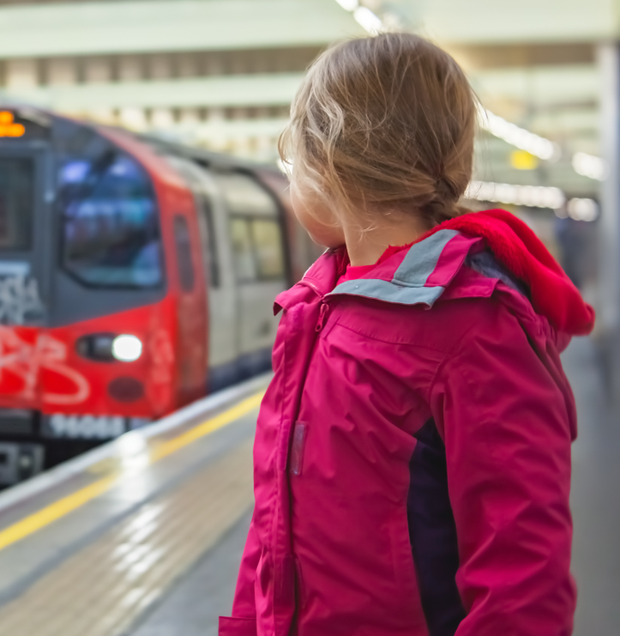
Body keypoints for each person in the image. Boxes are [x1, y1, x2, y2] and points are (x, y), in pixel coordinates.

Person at [221, 34, 593, 636]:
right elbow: (272, 534)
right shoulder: (314, 310)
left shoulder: (476, 328)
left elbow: (522, 580)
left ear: (331, 163)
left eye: (294, 163)